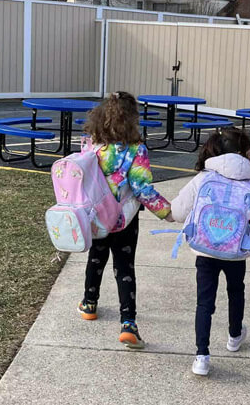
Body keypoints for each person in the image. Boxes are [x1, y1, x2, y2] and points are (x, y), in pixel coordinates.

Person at [170, 127, 250, 376]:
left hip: (205, 251)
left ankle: (202, 355)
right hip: (236, 251)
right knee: (236, 290)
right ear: (244, 154)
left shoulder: (203, 178)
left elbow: (178, 211)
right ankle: (234, 335)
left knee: (204, 302)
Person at [77, 91, 174, 350]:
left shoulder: (92, 146)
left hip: (96, 218)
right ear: (132, 120)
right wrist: (166, 211)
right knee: (124, 267)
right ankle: (128, 323)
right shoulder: (136, 150)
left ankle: (89, 303)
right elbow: (143, 189)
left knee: (96, 258)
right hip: (124, 219)